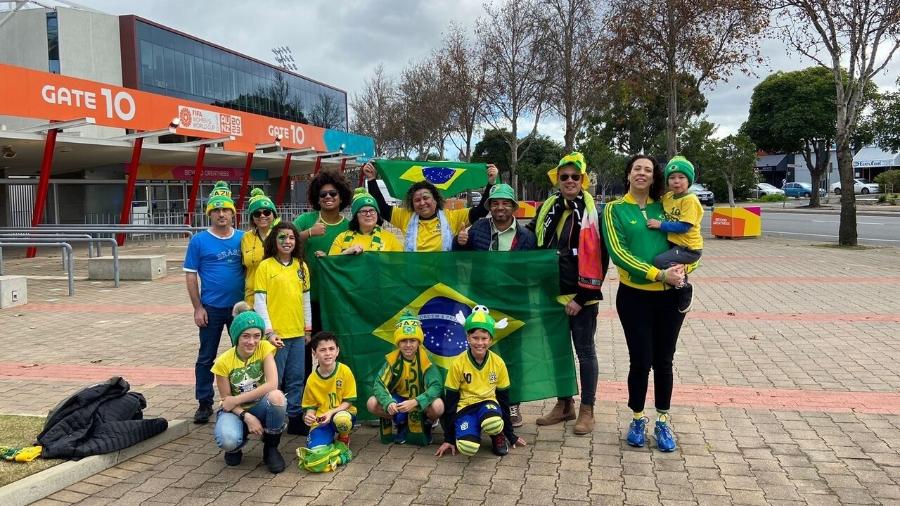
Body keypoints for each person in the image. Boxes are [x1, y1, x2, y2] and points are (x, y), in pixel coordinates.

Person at [602, 154, 688, 452]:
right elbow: (618, 252)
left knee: (664, 361)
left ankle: (663, 420)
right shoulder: (614, 210)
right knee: (640, 361)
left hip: (670, 296)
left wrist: (683, 271)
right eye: (636, 168)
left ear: (654, 177)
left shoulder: (666, 206)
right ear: (628, 174)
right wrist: (658, 273)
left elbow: (689, 243)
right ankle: (638, 418)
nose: (642, 173)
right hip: (634, 297)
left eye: (648, 170)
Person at [529, 152, 607, 435]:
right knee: (558, 352)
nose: (570, 181)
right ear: (558, 180)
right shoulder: (547, 209)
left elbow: (601, 259)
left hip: (582, 298)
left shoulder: (594, 214)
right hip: (551, 295)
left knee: (585, 352)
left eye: (575, 176)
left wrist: (581, 298)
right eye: (565, 177)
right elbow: (531, 240)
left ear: (583, 180)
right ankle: (564, 405)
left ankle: (587, 409)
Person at [453, 182, 535, 428]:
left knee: (512, 356)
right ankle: (473, 401)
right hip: (482, 303)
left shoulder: (526, 237)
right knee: (478, 352)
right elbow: (458, 253)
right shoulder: (478, 227)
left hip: (513, 304)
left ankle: (512, 404)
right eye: (495, 203)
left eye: (505, 203)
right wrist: (460, 240)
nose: (500, 207)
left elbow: (533, 271)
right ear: (490, 206)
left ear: (513, 207)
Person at [184, 181, 245, 424]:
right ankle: (204, 401)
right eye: (216, 210)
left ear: (233, 213)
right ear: (210, 213)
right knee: (206, 357)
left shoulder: (243, 238)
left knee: (242, 354)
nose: (221, 214)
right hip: (211, 308)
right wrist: (197, 307)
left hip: (239, 309)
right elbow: (190, 275)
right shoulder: (199, 241)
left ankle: (242, 397)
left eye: (226, 210)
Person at [292, 169, 352, 406]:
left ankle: (340, 400)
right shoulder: (307, 220)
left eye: (333, 194)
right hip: (307, 300)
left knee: (335, 350)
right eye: (323, 194)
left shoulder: (349, 226)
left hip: (337, 301)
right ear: (317, 198)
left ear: (341, 197)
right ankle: (304, 403)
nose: (328, 198)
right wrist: (308, 233)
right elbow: (282, 239)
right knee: (306, 352)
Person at [435, 305, 527, 457]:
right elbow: (451, 401)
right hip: (465, 407)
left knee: (493, 422)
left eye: (484, 338)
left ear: (491, 339)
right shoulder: (458, 363)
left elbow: (504, 400)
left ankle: (498, 435)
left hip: (488, 404)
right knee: (467, 448)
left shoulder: (498, 363)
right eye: (475, 338)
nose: (479, 343)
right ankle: (473, 430)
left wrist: (510, 435)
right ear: (467, 338)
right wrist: (449, 438)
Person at [212, 302, 286, 473]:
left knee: (277, 396)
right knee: (228, 441)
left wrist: (236, 399)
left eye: (256, 335)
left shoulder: (264, 348)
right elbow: (226, 402)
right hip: (236, 411)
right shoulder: (223, 362)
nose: (252, 342)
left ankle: (271, 447)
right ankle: (236, 446)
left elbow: (272, 384)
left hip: (259, 405)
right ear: (236, 336)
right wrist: (246, 416)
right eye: (246, 336)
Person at [253, 221, 312, 436]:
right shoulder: (265, 266)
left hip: (297, 333)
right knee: (274, 380)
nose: (287, 241)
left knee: (297, 378)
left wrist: (307, 330)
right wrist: (269, 332)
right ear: (274, 241)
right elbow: (260, 301)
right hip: (276, 336)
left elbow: (305, 300)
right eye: (282, 237)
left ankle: (295, 417)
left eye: (291, 238)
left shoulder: (301, 267)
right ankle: (273, 418)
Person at [361, 162, 497, 252]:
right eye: (417, 200)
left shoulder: (453, 217)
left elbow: (481, 211)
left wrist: (491, 183)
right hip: (415, 283)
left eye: (426, 198)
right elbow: (383, 208)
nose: (422, 203)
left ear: (436, 200)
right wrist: (372, 179)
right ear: (412, 203)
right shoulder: (404, 216)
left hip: (444, 283)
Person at [367, 311, 444, 445]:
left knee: (438, 406)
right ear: (398, 342)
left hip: (419, 402)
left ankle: (427, 424)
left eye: (412, 340)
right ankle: (401, 423)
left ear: (418, 342)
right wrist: (388, 402)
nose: (408, 345)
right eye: (403, 340)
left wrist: (416, 401)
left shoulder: (427, 361)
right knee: (372, 403)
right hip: (400, 401)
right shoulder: (392, 360)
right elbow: (379, 384)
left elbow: (436, 387)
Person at [646, 156, 704, 313]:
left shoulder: (690, 200)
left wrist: (660, 225)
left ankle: (684, 287)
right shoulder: (669, 197)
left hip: (689, 248)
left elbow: (684, 226)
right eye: (672, 178)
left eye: (681, 177)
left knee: (659, 260)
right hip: (676, 245)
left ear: (689, 181)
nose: (676, 181)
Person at [301, 332, 357, 447]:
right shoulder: (312, 379)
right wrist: (309, 416)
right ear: (314, 353)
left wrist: (331, 413)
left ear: (337, 351)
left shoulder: (345, 371)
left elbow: (349, 401)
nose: (328, 353)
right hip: (322, 419)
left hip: (343, 413)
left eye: (331, 349)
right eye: (322, 350)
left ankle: (344, 436)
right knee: (316, 448)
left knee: (342, 420)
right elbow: (311, 406)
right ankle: (325, 440)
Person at [329, 188, 403, 254]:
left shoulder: (391, 239)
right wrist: (346, 252)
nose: (368, 214)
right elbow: (331, 264)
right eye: (363, 211)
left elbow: (399, 266)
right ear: (355, 216)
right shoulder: (341, 238)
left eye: (372, 210)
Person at [241, 188, 278, 307]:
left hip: (277, 296)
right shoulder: (246, 238)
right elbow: (244, 269)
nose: (262, 216)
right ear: (252, 217)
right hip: (253, 298)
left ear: (274, 214)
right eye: (257, 213)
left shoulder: (282, 234)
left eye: (267, 212)